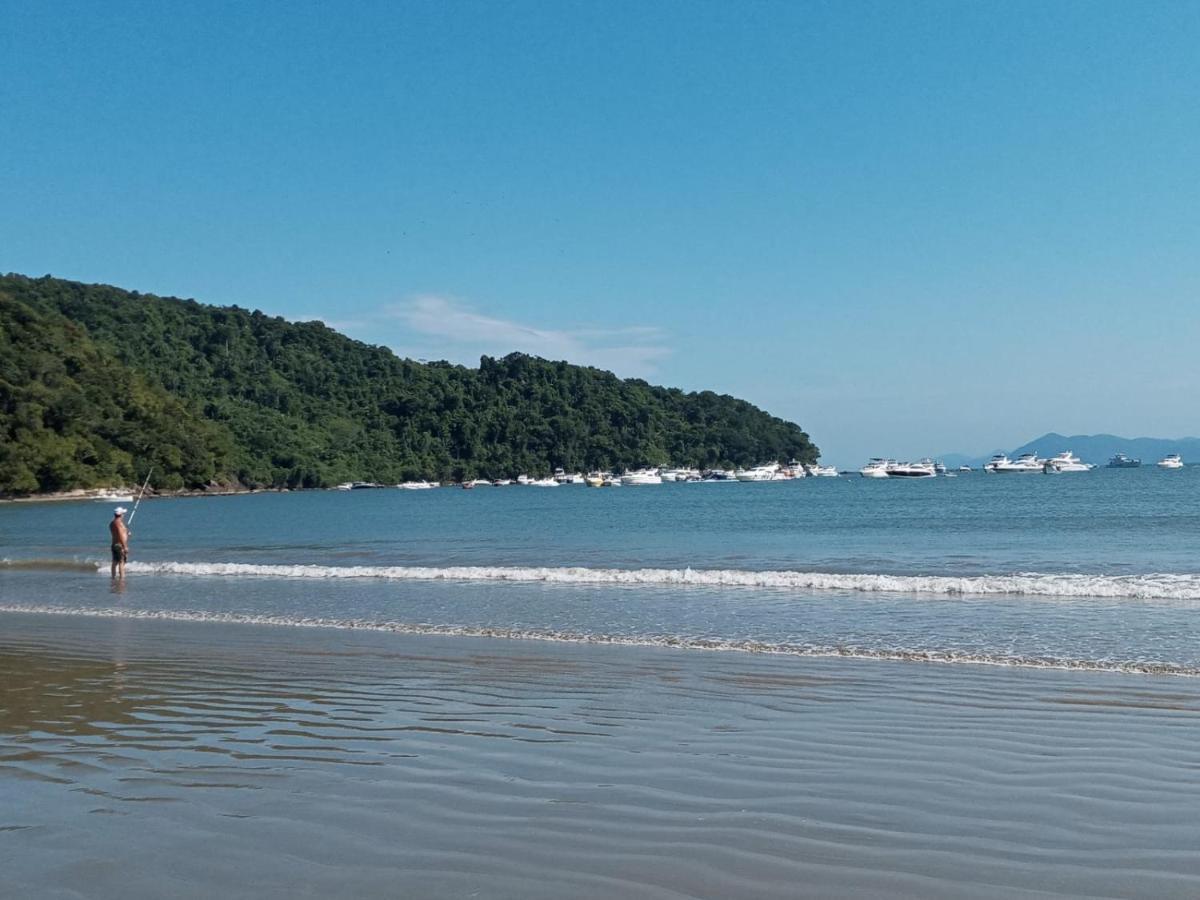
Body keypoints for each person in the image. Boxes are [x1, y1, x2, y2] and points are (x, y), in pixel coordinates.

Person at [109, 507, 130, 578]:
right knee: (121, 562)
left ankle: (113, 577)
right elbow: (120, 535)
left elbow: (117, 534)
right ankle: (122, 578)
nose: (124, 515)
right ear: (121, 514)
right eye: (123, 513)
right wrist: (125, 546)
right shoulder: (119, 523)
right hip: (119, 545)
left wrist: (126, 532)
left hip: (114, 544)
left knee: (115, 562)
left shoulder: (112, 523)